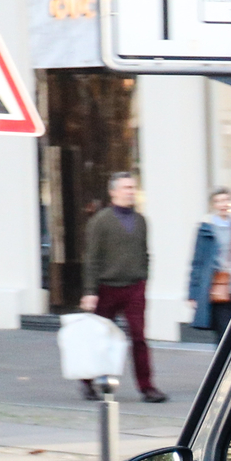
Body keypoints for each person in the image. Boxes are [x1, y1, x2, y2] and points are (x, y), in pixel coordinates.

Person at [79, 171, 163, 402]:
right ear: (113, 192)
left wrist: (143, 278)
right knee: (99, 338)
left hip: (134, 287)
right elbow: (92, 258)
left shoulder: (141, 220)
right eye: (126, 187)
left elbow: (145, 252)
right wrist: (90, 291)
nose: (131, 191)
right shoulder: (100, 221)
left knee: (139, 338)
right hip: (107, 287)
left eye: (133, 187)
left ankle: (147, 387)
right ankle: (87, 381)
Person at [187, 189, 231, 335]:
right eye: (218, 201)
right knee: (224, 333)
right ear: (213, 205)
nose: (223, 204)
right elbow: (197, 262)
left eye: (225, 200)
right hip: (218, 287)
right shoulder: (206, 229)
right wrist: (193, 293)